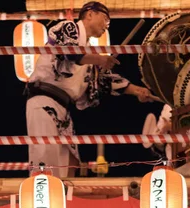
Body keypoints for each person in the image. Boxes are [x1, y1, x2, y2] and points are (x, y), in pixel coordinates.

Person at [26, 1, 154, 177]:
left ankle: (63, 200)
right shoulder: (69, 28)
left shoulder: (89, 55)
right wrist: (100, 60)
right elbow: (70, 53)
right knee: (45, 158)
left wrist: (137, 90)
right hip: (44, 100)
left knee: (69, 164)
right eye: (105, 19)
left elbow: (105, 81)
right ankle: (39, 199)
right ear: (90, 14)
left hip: (63, 109)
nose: (107, 26)